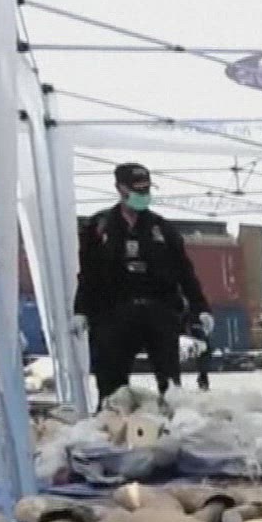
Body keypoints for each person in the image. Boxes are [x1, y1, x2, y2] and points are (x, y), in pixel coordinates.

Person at [74, 162, 210, 402]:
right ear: (121, 189)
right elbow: (88, 273)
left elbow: (185, 272)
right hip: (113, 312)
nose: (143, 195)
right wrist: (81, 310)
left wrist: (201, 308)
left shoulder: (162, 228)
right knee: (111, 385)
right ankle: (111, 416)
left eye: (146, 189)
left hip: (158, 311)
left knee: (169, 384)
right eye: (137, 190)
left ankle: (170, 416)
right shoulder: (98, 227)